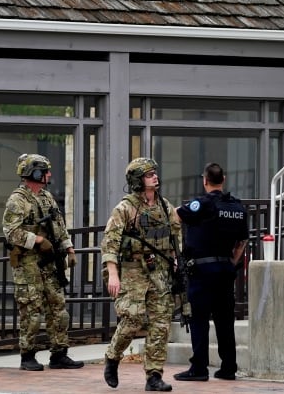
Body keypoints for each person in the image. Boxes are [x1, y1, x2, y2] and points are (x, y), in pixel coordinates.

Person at [101, 157, 182, 392]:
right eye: (149, 174)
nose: (155, 177)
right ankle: (113, 356)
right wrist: (113, 274)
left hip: (159, 272)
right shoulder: (125, 208)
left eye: (155, 173)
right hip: (132, 271)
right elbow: (110, 243)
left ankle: (154, 375)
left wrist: (177, 259)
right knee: (132, 319)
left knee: (160, 323)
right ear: (137, 181)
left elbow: (176, 235)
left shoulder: (165, 207)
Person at [2, 153, 83, 371]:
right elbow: (10, 232)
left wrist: (68, 247)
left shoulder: (47, 197)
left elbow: (59, 225)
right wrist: (36, 239)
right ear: (33, 172)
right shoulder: (17, 200)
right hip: (29, 265)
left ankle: (59, 354)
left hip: (50, 263)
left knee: (59, 308)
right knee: (31, 311)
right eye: (45, 170)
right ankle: (27, 355)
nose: (48, 174)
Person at [173, 163, 248, 382]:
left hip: (202, 269)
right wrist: (230, 262)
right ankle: (228, 368)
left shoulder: (202, 204)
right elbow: (242, 241)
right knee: (225, 320)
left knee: (199, 319)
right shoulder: (237, 207)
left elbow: (176, 215)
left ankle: (199, 368)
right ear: (223, 179)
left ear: (204, 180)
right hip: (225, 269)